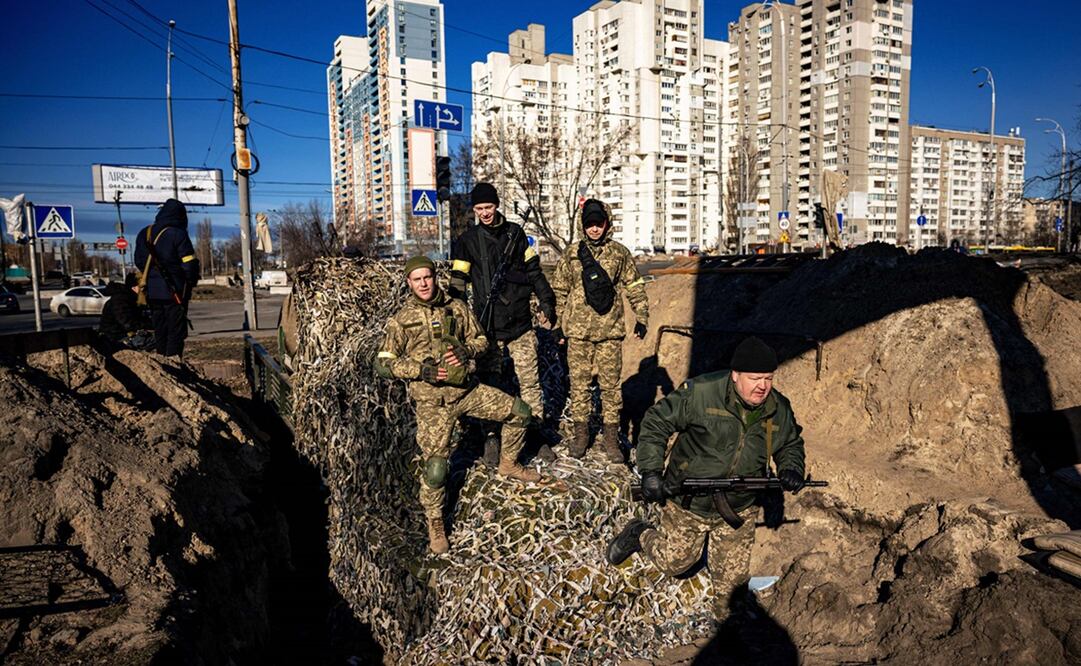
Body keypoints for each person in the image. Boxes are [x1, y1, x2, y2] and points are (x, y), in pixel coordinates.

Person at [605, 337, 808, 617]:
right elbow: (656, 422)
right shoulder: (701, 393)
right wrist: (651, 471)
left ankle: (726, 636)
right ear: (735, 375)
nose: (763, 386)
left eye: (768, 378)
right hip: (689, 501)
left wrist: (791, 467)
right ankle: (639, 533)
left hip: (739, 507)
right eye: (755, 378)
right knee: (674, 563)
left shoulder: (777, 407)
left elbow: (790, 443)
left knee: (732, 589)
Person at [375, 256, 559, 555]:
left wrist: (465, 350)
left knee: (520, 413)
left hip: (467, 391)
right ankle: (435, 523)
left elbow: (481, 340)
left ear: (435, 277)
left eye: (427, 277)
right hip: (434, 404)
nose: (423, 283)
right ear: (409, 283)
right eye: (417, 279)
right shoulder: (401, 320)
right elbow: (383, 364)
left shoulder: (456, 308)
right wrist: (421, 371)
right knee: (436, 470)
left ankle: (509, 464)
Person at [449, 182, 558, 467]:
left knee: (530, 384)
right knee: (490, 384)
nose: (485, 213)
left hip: (521, 323)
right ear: (473, 210)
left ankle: (534, 433)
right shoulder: (467, 241)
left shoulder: (517, 234)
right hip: (487, 328)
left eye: (489, 207)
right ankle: (491, 436)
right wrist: (460, 321)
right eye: (479, 208)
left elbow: (535, 272)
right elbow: (458, 285)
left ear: (497, 205)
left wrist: (547, 302)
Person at [550, 198, 649, 462]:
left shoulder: (619, 253)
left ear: (606, 224)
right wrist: (557, 325)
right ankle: (581, 434)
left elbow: (634, 285)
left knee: (610, 386)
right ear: (583, 226)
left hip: (609, 331)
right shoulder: (572, 254)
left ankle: (610, 437)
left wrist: (642, 317)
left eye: (599, 224)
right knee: (580, 386)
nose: (594, 229)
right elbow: (559, 290)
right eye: (590, 224)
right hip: (578, 332)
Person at [133, 199, 199, 357]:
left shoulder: (145, 233)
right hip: (174, 290)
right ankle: (174, 362)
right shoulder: (178, 234)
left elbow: (139, 261)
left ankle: (162, 361)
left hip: (151, 291)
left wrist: (153, 275)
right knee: (175, 330)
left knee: (159, 328)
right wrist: (189, 281)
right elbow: (189, 264)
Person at [98, 273, 152, 348]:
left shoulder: (131, 298)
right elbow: (128, 324)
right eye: (142, 287)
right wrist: (151, 325)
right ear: (134, 288)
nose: (145, 291)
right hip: (115, 338)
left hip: (121, 335)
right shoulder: (121, 300)